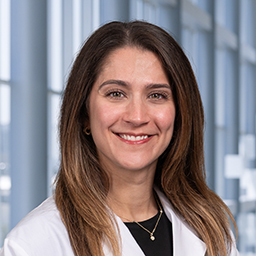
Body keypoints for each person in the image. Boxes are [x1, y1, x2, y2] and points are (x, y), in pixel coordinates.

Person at [0, 21, 239, 256]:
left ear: (180, 113)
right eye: (116, 93)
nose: (137, 116)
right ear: (85, 114)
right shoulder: (34, 244)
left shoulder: (210, 229)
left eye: (156, 95)